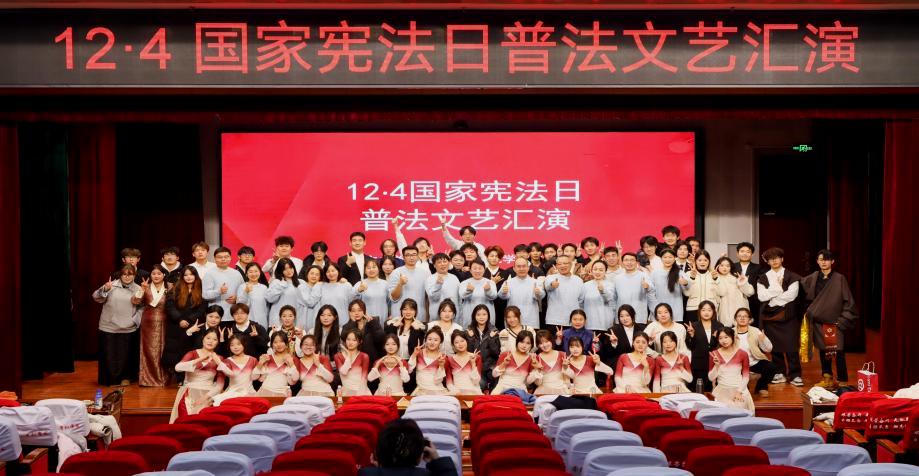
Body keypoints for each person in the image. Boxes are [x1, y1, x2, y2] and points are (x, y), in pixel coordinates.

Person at [800, 249, 858, 388]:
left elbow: (848, 301)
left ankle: (843, 380)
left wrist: (842, 320)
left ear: (832, 261)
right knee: (824, 350)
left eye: (826, 259)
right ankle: (827, 378)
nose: (824, 262)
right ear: (817, 261)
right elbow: (800, 288)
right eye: (821, 259)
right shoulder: (813, 278)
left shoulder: (839, 279)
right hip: (818, 323)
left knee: (837, 351)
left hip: (833, 323)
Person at [756, 247, 804, 386]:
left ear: (782, 259)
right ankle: (779, 373)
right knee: (775, 347)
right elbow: (761, 296)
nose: (774, 261)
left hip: (789, 316)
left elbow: (792, 295)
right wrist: (778, 290)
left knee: (791, 347)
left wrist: (772, 301)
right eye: (771, 259)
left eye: (777, 258)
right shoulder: (763, 278)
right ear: (767, 261)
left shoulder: (792, 276)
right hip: (770, 318)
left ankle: (795, 375)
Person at [93, 264, 143, 386]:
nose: (127, 277)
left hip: (128, 327)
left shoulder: (138, 289)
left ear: (134, 275)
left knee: (125, 356)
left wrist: (134, 320)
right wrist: (105, 289)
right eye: (124, 274)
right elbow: (96, 297)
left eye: (130, 274)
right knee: (109, 355)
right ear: (120, 275)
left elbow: (142, 308)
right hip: (109, 326)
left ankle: (125, 378)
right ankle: (109, 379)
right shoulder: (111, 285)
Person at [358, 419, 458, 476]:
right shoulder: (427, 474)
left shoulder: (365, 473)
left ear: (378, 453)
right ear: (420, 456)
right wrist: (437, 461)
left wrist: (381, 469)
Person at [170, 328, 225, 422]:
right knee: (186, 421)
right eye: (208, 338)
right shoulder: (192, 354)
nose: (210, 341)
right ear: (203, 338)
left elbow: (220, 385)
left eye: (214, 339)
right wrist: (200, 359)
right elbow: (178, 368)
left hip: (209, 394)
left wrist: (205, 397)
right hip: (189, 392)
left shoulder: (219, 358)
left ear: (218, 342)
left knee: (205, 421)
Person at [165, 266, 207, 380]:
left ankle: (191, 377)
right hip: (176, 325)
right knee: (176, 351)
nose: (189, 277)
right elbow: (170, 306)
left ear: (195, 276)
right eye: (186, 275)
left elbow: (202, 309)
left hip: (193, 325)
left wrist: (189, 320)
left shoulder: (201, 289)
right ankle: (179, 378)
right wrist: (180, 319)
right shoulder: (175, 288)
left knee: (191, 351)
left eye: (191, 274)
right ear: (182, 277)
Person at [733, 308, 777, 397]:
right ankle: (745, 386)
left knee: (771, 367)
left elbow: (768, 349)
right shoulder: (731, 332)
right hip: (738, 364)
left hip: (754, 362)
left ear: (750, 320)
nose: (742, 318)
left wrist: (763, 340)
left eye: (745, 316)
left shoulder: (755, 330)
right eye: (739, 316)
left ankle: (761, 387)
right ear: (735, 319)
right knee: (743, 391)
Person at [709, 328, 755, 412]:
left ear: (733, 337)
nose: (723, 340)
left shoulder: (743, 354)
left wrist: (739, 392)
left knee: (738, 412)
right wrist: (717, 366)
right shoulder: (714, 354)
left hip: (739, 389)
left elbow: (746, 376)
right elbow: (711, 377)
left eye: (726, 337)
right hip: (721, 391)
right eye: (720, 338)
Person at [139, 264, 169, 387]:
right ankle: (147, 379)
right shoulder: (145, 287)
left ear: (164, 275)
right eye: (154, 274)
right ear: (150, 275)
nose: (156, 276)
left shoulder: (170, 287)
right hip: (148, 322)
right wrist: (141, 290)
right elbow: (135, 301)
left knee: (163, 349)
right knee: (148, 350)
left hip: (166, 322)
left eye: (159, 274)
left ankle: (164, 377)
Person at [598, 305, 647, 378]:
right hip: (619, 361)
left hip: (638, 359)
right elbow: (607, 353)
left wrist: (650, 341)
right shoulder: (613, 330)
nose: (625, 319)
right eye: (621, 316)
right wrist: (614, 343)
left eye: (627, 315)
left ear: (633, 315)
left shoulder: (642, 328)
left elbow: (647, 347)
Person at [685, 300, 724, 392]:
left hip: (715, 362)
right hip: (699, 363)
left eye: (709, 310)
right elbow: (690, 346)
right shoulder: (693, 326)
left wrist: (716, 338)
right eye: (703, 310)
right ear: (699, 311)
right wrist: (692, 335)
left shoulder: (719, 325)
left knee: (713, 391)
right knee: (698, 389)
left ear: (713, 311)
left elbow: (723, 344)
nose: (706, 312)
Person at [388, 246, 433, 321]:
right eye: (408, 255)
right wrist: (400, 284)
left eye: (414, 254)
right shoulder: (396, 272)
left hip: (419, 316)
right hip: (399, 317)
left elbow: (429, 297)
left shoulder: (426, 273)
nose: (411, 257)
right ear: (403, 257)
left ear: (418, 256)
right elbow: (394, 297)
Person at [498, 257, 543, 330]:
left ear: (528, 268)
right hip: (512, 320)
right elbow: (501, 296)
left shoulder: (535, 282)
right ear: (514, 268)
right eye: (519, 266)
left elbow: (542, 295)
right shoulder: (508, 282)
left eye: (524, 266)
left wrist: (538, 293)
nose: (521, 269)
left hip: (531, 319)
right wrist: (504, 292)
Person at [213, 334, 258, 405]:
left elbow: (256, 378)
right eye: (232, 345)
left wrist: (261, 364)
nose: (235, 347)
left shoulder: (253, 360)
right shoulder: (227, 361)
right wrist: (219, 362)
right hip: (232, 393)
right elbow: (230, 374)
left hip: (249, 392)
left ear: (244, 344)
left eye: (238, 344)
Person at [611, 253, 655, 324]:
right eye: (626, 260)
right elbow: (613, 299)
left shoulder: (643, 275)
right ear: (622, 262)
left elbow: (652, 292)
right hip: (621, 318)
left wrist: (647, 286)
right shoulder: (617, 278)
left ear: (637, 262)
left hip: (639, 317)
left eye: (632, 260)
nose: (629, 262)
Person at [203, 246, 245, 320]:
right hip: (216, 316)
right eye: (220, 257)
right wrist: (219, 291)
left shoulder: (237, 273)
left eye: (226, 257)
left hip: (235, 314)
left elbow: (244, 292)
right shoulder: (209, 274)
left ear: (230, 258)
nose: (223, 259)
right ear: (215, 259)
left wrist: (237, 298)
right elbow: (205, 295)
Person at [266, 258, 309, 328]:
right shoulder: (276, 282)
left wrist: (301, 323)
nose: (289, 271)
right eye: (285, 269)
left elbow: (305, 303)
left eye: (290, 268)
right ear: (280, 271)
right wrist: (282, 284)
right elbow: (270, 299)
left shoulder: (301, 283)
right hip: (278, 322)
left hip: (297, 321)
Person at [544, 255, 585, 327]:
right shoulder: (550, 278)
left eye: (565, 263)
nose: (562, 266)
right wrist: (552, 285)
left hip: (573, 321)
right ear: (556, 266)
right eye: (559, 264)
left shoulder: (578, 280)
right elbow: (548, 286)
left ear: (571, 264)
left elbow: (581, 301)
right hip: (554, 321)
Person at [467, 304, 501, 392]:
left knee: (496, 383)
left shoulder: (494, 331)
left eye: (484, 314)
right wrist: (470, 338)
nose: (481, 317)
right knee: (481, 384)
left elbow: (496, 353)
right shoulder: (469, 330)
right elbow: (469, 352)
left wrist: (491, 339)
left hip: (490, 366)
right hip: (475, 366)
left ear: (488, 316)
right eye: (478, 314)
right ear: (474, 316)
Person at [254, 331, 299, 397]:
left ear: (286, 343)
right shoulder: (267, 358)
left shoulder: (293, 359)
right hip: (265, 391)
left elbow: (293, 381)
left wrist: (291, 363)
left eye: (281, 341)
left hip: (282, 393)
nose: (278, 344)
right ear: (272, 344)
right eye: (275, 342)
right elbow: (259, 379)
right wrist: (260, 363)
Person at [409, 327, 450, 395]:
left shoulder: (443, 358)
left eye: (436, 340)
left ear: (440, 342)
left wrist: (441, 366)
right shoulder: (419, 353)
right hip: (421, 391)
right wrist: (414, 354)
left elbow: (438, 381)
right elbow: (409, 370)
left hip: (438, 391)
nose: (432, 342)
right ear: (425, 340)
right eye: (429, 339)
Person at [650, 248, 687, 323]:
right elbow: (651, 293)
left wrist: (685, 283)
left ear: (675, 258)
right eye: (665, 257)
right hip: (659, 311)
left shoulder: (680, 273)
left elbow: (687, 291)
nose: (667, 259)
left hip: (676, 311)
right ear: (661, 258)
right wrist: (655, 308)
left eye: (670, 257)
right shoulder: (655, 273)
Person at [425, 253, 462, 325]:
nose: (442, 264)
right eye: (439, 262)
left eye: (445, 261)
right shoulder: (430, 279)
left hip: (454, 319)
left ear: (449, 263)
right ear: (434, 265)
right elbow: (434, 298)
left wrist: (459, 316)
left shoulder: (454, 278)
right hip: (436, 318)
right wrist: (438, 285)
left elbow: (459, 300)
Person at [684, 251, 720, 324]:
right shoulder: (688, 274)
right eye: (699, 260)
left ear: (709, 262)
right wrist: (692, 278)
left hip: (710, 310)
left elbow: (720, 293)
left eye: (705, 260)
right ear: (695, 261)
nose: (702, 262)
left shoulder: (714, 274)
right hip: (693, 309)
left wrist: (715, 279)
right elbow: (686, 293)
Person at [460, 260, 498, 326]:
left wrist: (488, 290)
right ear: (470, 270)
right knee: (469, 331)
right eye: (474, 268)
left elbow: (494, 296)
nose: (477, 271)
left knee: (488, 331)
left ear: (484, 270)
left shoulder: (490, 282)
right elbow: (462, 296)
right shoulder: (465, 283)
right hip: (469, 315)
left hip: (487, 315)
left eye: (480, 268)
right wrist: (468, 290)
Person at [532, 330, 570, 395]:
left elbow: (567, 378)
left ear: (551, 340)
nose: (544, 345)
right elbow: (538, 383)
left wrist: (567, 388)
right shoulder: (537, 358)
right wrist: (537, 369)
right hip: (544, 390)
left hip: (561, 389)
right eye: (541, 343)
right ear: (538, 345)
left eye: (547, 341)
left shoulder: (562, 355)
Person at [336, 328, 372, 396]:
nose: (350, 342)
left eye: (354, 340)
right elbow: (343, 373)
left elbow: (364, 379)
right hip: (345, 392)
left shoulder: (364, 356)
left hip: (362, 391)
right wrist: (348, 356)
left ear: (360, 342)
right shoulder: (338, 356)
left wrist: (360, 395)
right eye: (348, 339)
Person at [732, 242, 762, 322]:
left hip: (753, 302)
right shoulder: (732, 267)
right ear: (737, 254)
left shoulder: (759, 268)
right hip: (735, 301)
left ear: (752, 254)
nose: (745, 254)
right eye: (742, 251)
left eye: (748, 252)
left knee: (753, 324)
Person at [446, 331, 483, 395]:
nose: (460, 344)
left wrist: (473, 364)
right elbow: (449, 383)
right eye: (456, 342)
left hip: (474, 392)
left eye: (462, 341)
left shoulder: (476, 357)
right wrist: (456, 392)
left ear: (467, 341)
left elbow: (476, 381)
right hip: (457, 393)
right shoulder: (450, 359)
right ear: (453, 345)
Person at [581, 260, 614, 331]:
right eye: (595, 269)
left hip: (605, 324)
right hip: (589, 323)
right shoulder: (585, 285)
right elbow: (581, 304)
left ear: (605, 271)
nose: (597, 272)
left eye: (601, 270)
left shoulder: (610, 285)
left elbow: (608, 299)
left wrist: (602, 291)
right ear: (591, 271)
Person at [354, 259, 390, 324]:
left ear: (378, 269)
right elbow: (353, 300)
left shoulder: (385, 284)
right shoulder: (360, 284)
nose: (371, 270)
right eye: (368, 268)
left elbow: (390, 302)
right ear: (365, 271)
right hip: (366, 319)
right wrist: (359, 290)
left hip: (382, 317)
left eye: (374, 267)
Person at [237, 262, 270, 328]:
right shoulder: (242, 287)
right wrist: (246, 292)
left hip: (262, 322)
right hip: (247, 322)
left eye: (256, 271)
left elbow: (267, 307)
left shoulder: (264, 288)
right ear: (246, 274)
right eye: (250, 272)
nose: (254, 274)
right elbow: (239, 305)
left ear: (260, 273)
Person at [300, 265, 324, 329]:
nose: (314, 276)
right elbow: (310, 303)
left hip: (317, 322)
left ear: (320, 277)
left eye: (317, 274)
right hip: (301, 321)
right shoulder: (301, 287)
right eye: (312, 273)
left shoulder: (322, 287)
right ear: (307, 274)